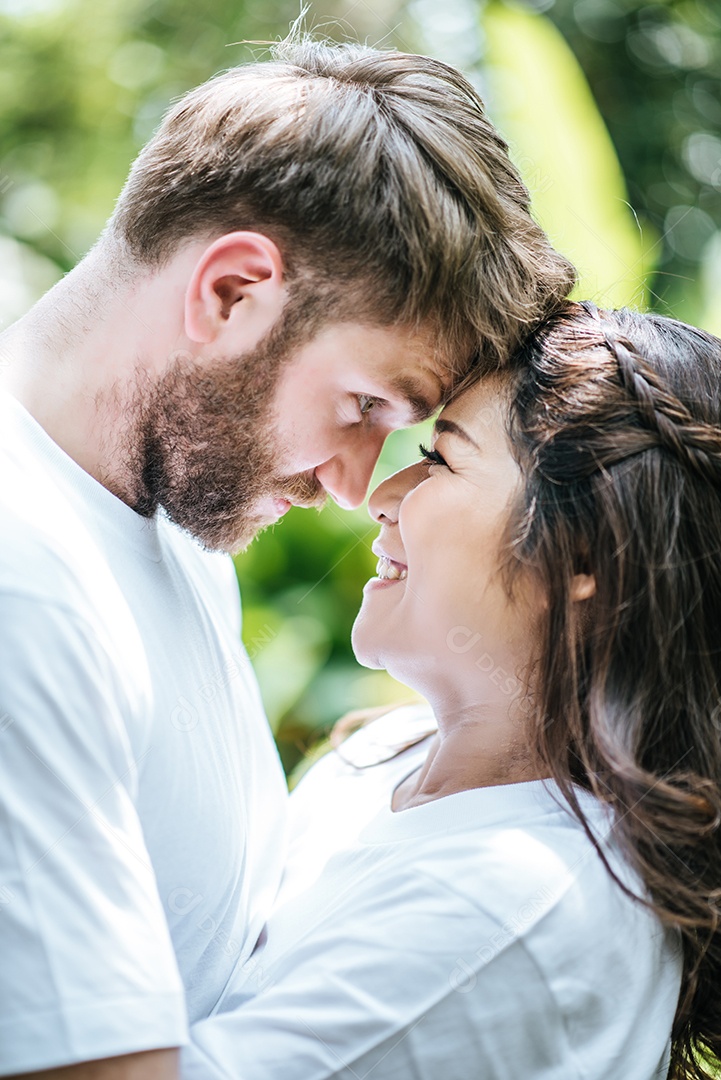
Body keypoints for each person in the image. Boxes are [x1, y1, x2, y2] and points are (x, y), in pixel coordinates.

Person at [0, 34, 575, 1080]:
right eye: (363, 406)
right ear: (231, 292)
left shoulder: (174, 530)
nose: (357, 486)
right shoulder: (22, 587)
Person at [181, 302, 721, 1080]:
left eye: (440, 459)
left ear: (580, 554)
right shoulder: (384, 756)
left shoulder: (514, 904)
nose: (379, 493)